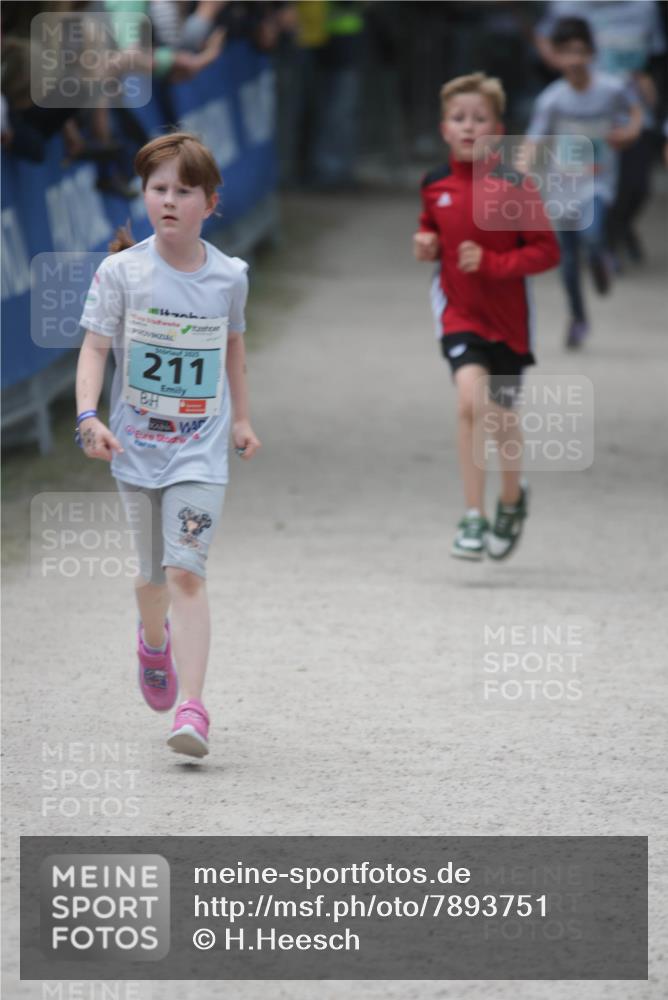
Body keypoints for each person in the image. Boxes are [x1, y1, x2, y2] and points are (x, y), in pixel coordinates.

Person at [75, 132, 261, 759]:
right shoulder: (120, 273)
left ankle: (194, 707)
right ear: (144, 195)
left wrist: (241, 421)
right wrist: (87, 417)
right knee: (152, 576)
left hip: (200, 450)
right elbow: (96, 348)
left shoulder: (229, 276)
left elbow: (233, 348)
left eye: (185, 190)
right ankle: (152, 641)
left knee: (185, 571)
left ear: (212, 202)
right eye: (159, 189)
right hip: (134, 449)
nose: (170, 201)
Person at [413, 72, 560, 561]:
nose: (469, 127)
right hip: (459, 313)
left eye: (479, 119)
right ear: (444, 128)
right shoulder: (434, 184)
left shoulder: (515, 186)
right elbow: (430, 228)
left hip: (509, 323)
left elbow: (546, 251)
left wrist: (494, 263)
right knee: (469, 404)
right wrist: (425, 243)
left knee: (501, 419)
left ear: (497, 129)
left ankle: (512, 501)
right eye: (459, 118)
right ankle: (472, 516)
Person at [525, 17, 642, 348]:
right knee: (567, 260)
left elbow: (635, 111)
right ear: (557, 57)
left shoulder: (611, 88)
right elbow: (534, 140)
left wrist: (630, 132)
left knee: (592, 235)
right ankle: (577, 317)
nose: (574, 60)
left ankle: (602, 257)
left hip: (598, 180)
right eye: (567, 53)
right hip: (561, 185)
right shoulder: (552, 99)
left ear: (591, 53)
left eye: (580, 52)